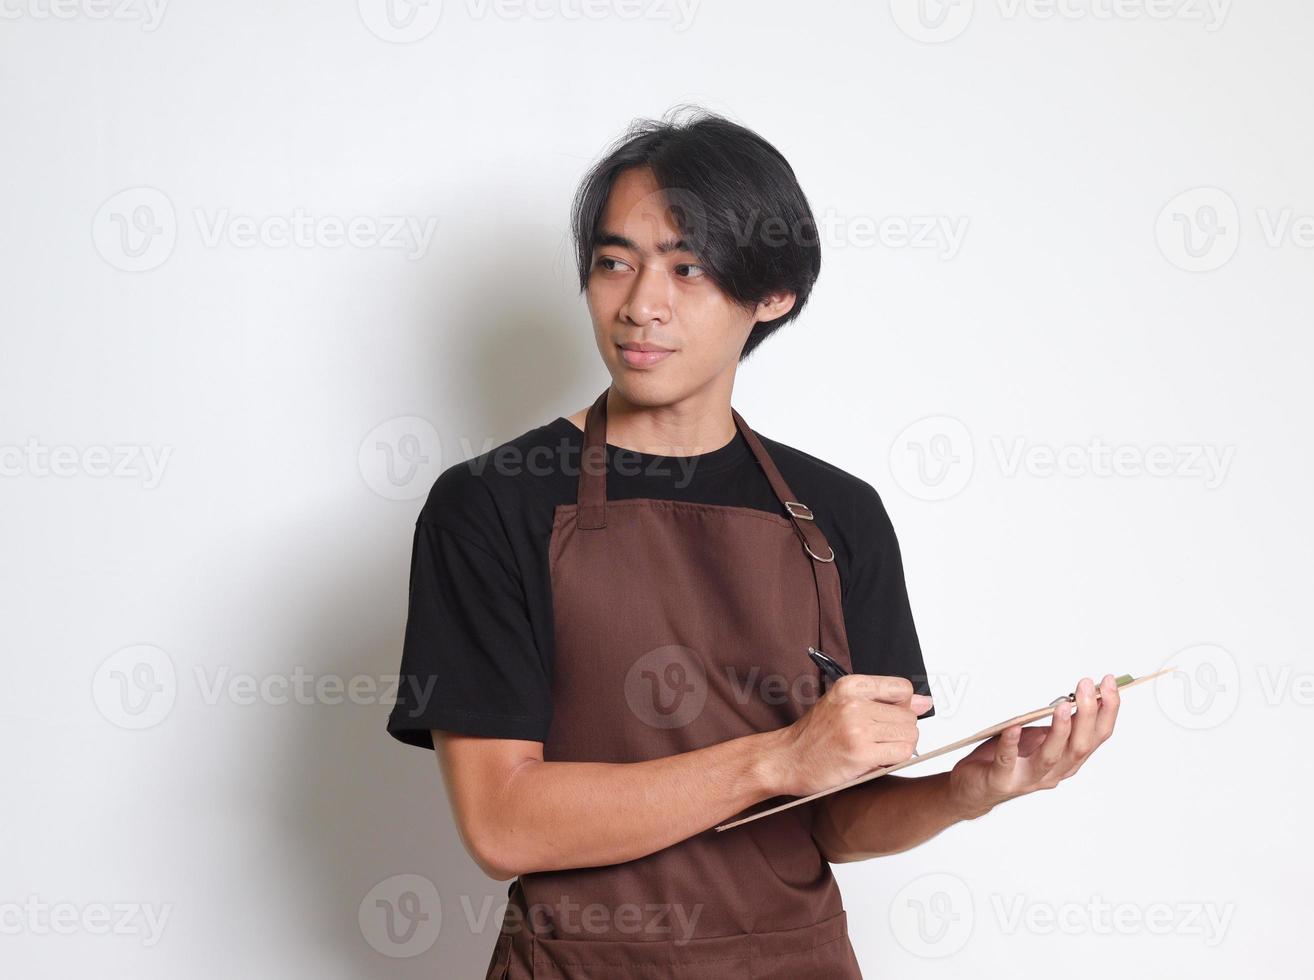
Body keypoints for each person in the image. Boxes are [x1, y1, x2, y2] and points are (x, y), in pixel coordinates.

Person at [386, 106, 1121, 979]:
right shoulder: (490, 505)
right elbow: (503, 824)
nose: (640, 305)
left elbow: (834, 819)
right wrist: (780, 754)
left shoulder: (838, 514)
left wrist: (972, 790)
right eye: (614, 263)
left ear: (773, 295)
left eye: (687, 269)